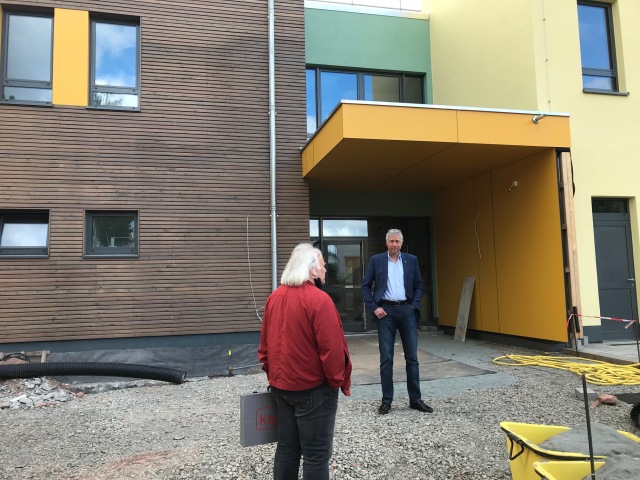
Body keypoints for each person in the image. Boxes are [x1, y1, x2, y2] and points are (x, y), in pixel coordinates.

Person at [258, 243, 352, 480]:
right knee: (316, 455)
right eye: (322, 265)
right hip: (313, 391)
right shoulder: (320, 300)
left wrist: (273, 376)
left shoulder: (274, 298)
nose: (325, 270)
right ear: (311, 270)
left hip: (281, 388)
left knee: (287, 450)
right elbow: (332, 350)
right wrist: (335, 382)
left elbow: (264, 348)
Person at [360, 228, 433, 415]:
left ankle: (415, 399)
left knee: (412, 358)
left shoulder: (411, 260)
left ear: (401, 243)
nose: (394, 245)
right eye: (391, 241)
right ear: (387, 243)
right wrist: (375, 307)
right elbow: (365, 286)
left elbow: (419, 286)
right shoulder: (377, 260)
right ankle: (386, 401)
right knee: (386, 359)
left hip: (407, 310)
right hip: (386, 312)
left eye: (397, 242)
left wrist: (414, 305)